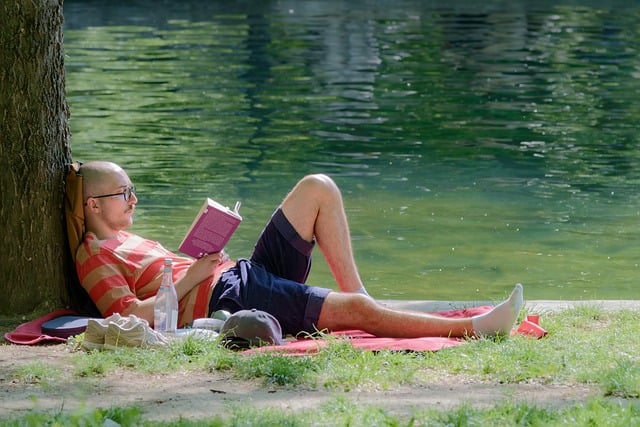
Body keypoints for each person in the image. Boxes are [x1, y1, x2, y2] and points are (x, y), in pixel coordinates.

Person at [76, 161, 524, 340]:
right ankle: (473, 330)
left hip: (240, 275)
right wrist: (194, 275)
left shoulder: (126, 239)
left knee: (318, 188)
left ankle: (362, 301)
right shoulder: (94, 255)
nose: (134, 199)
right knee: (354, 312)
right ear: (93, 205)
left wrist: (204, 257)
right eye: (124, 193)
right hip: (229, 298)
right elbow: (131, 317)